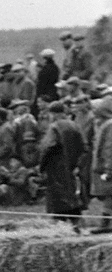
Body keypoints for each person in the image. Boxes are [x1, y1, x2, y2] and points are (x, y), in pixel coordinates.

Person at [39, 103, 87, 229]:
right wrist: (78, 165)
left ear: (53, 113)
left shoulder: (54, 127)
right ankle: (79, 227)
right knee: (73, 200)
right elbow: (84, 147)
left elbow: (48, 147)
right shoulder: (75, 125)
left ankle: (60, 229)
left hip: (56, 169)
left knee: (58, 202)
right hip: (71, 168)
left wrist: (41, 166)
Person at [91, 99, 112, 233]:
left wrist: (109, 169)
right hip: (106, 165)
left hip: (108, 166)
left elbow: (109, 149)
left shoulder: (109, 125)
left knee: (109, 195)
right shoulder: (105, 125)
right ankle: (105, 223)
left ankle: (105, 223)